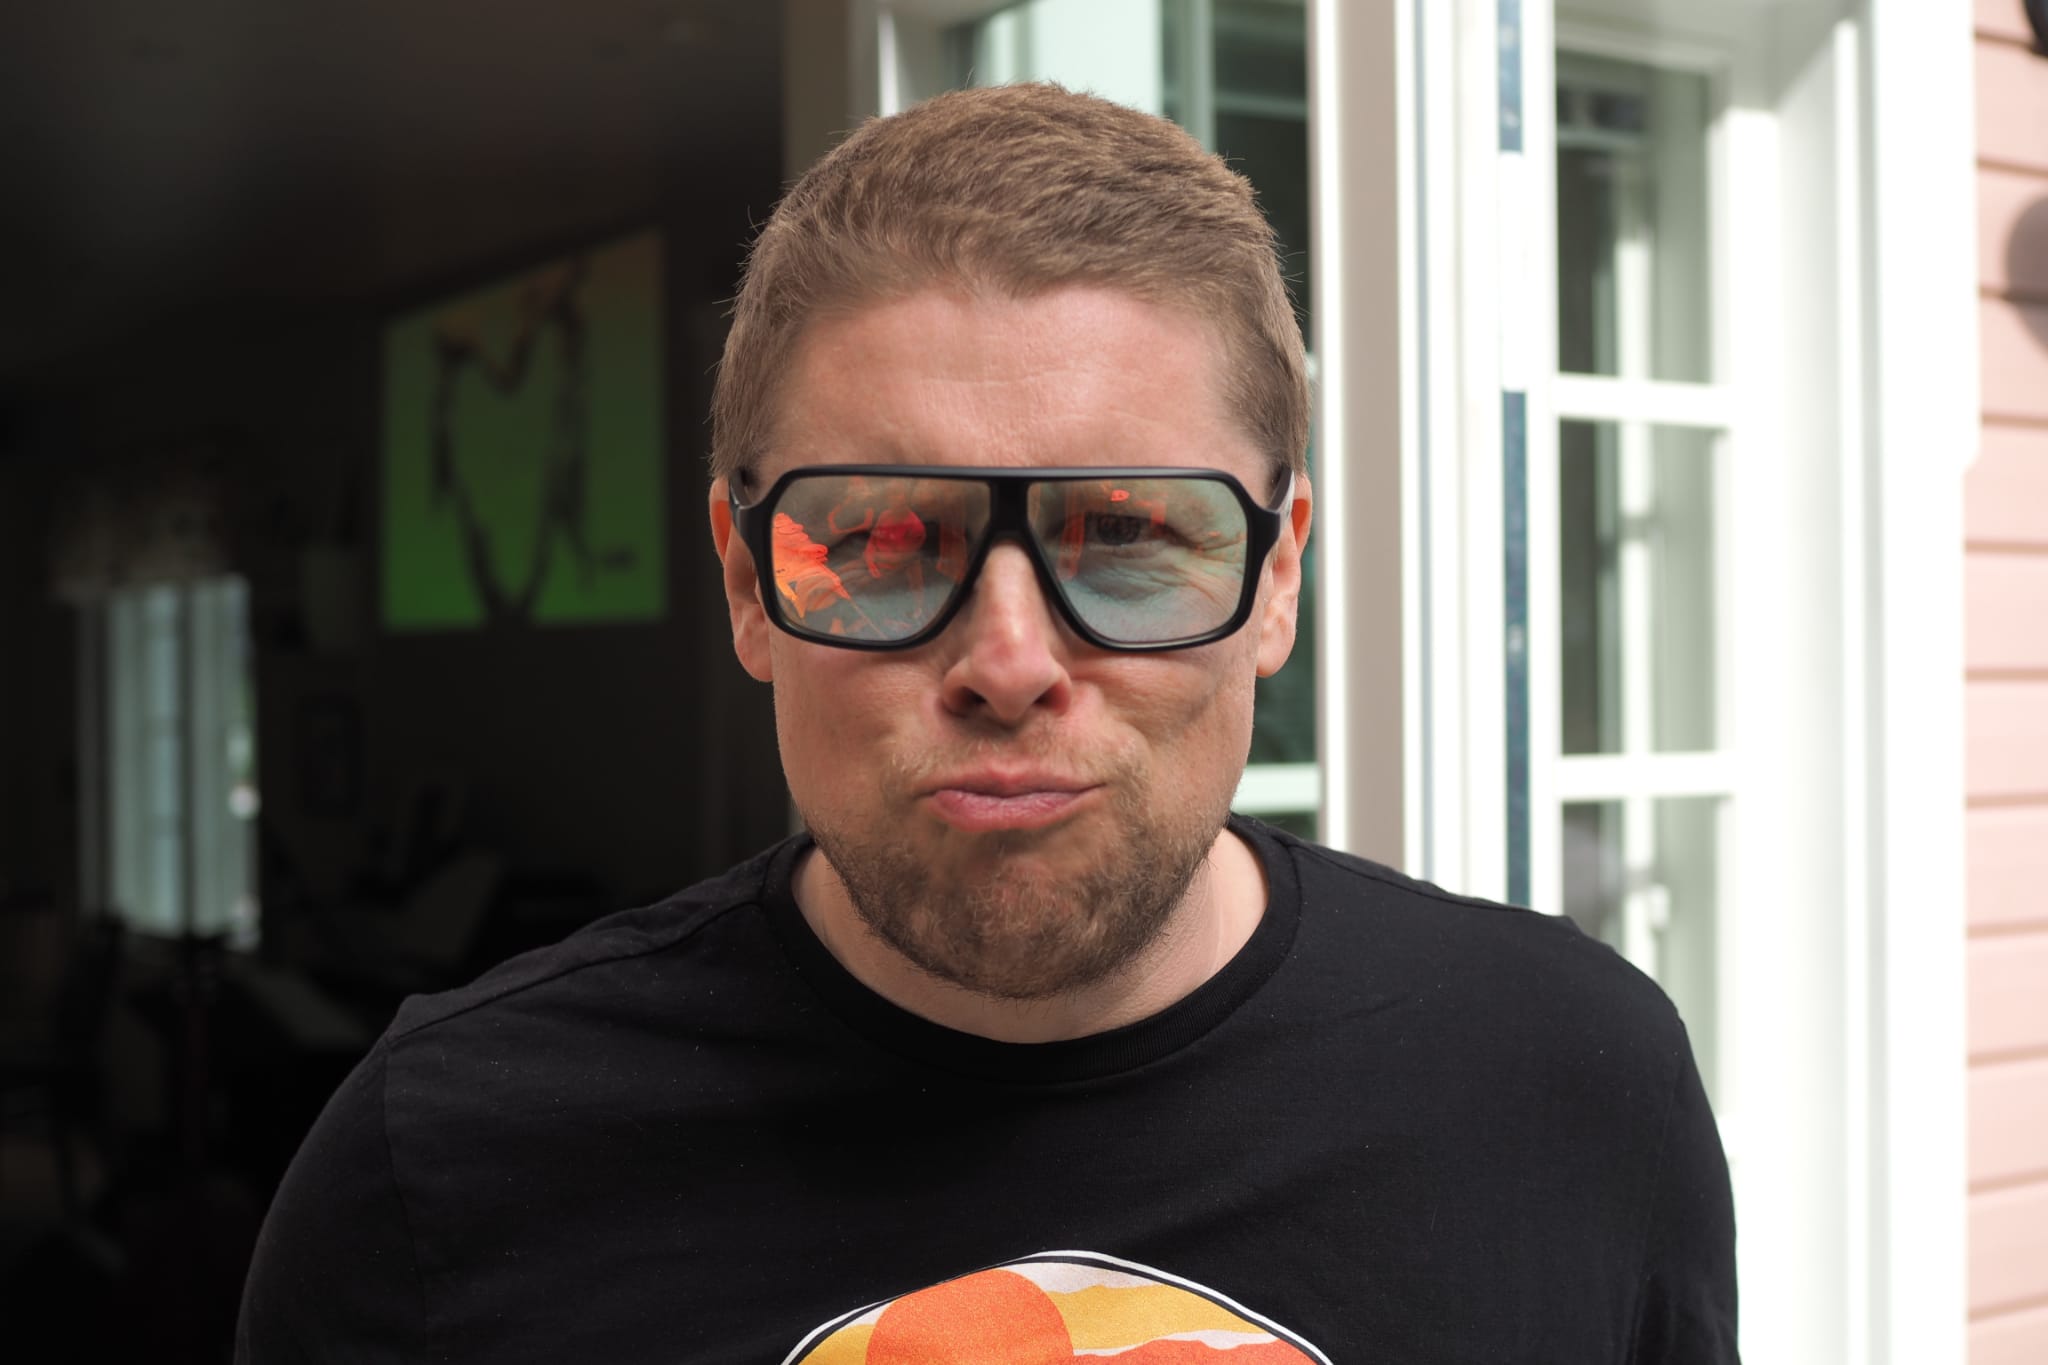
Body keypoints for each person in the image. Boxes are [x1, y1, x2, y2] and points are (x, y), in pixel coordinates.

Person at [236, 83, 1737, 1363]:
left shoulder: (1571, 1083)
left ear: (1275, 578)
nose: (1009, 661)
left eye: (1127, 533)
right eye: (884, 541)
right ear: (749, 585)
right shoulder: (439, 1167)